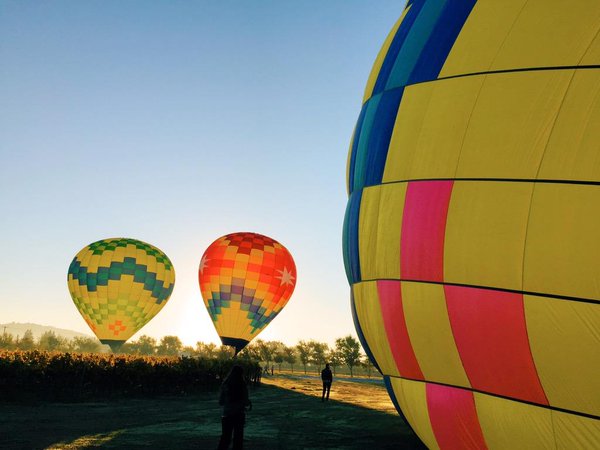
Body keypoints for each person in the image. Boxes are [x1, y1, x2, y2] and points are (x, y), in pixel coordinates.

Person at [217, 365, 252, 450]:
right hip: (239, 414)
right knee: (238, 439)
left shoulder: (225, 384)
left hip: (227, 414)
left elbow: (221, 402)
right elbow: (246, 401)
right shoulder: (242, 385)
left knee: (225, 438)